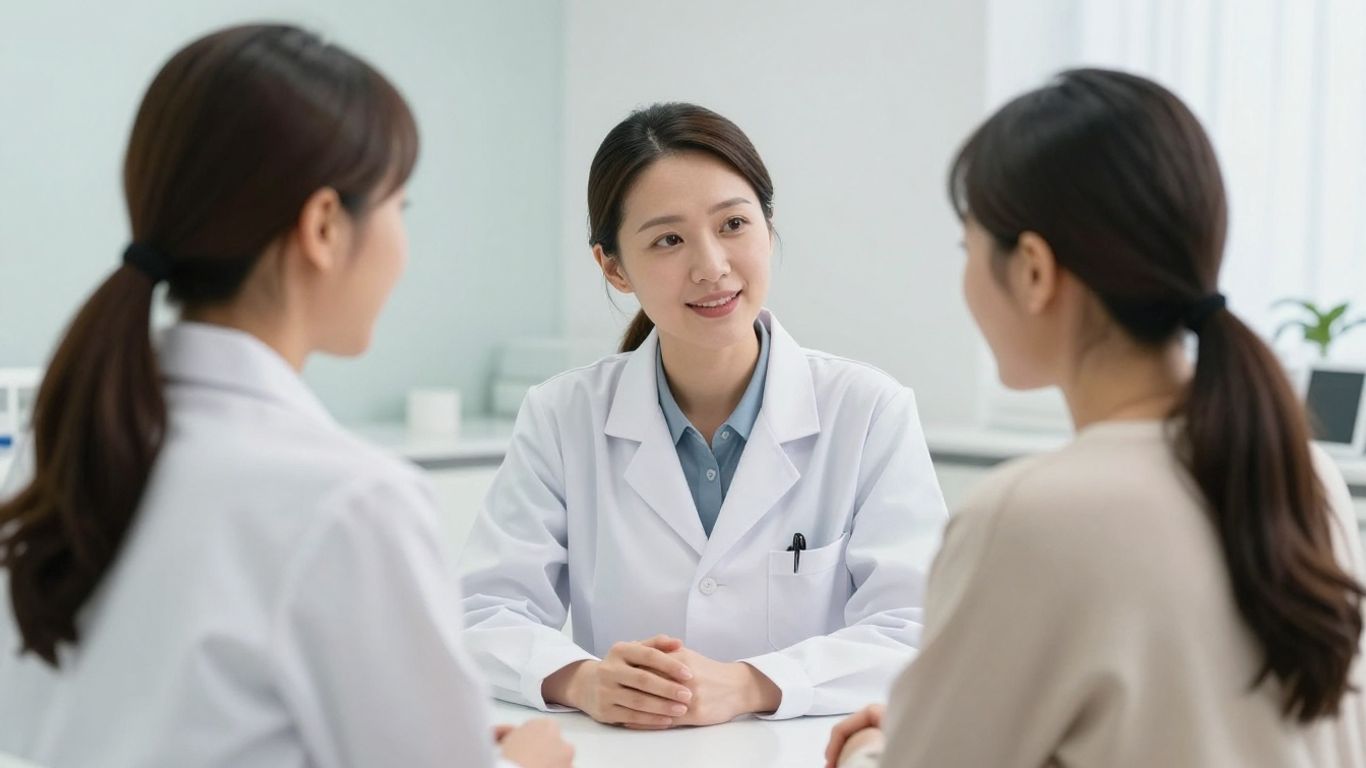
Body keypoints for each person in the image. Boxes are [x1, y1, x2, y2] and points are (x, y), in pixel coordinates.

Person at [0, 24, 571, 768]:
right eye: (401, 206)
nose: (403, 244)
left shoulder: (65, 443)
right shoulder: (349, 501)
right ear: (325, 226)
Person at [828, 68, 1366, 767]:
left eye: (969, 250)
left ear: (1032, 270)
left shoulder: (1031, 515)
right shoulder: (1300, 472)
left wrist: (877, 745)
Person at [459, 102, 948, 728]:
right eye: (668, 239)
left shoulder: (869, 411)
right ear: (613, 266)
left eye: (734, 224)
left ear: (768, 230)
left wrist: (753, 685)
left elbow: (918, 629)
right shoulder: (563, 415)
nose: (711, 265)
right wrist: (583, 680)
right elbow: (483, 612)